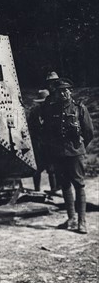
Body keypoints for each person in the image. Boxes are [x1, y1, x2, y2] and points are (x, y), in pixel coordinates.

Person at [42, 78, 94, 234]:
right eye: (60, 91)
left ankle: (82, 221)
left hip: (75, 153)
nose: (64, 93)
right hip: (58, 153)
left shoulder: (79, 108)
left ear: (71, 91)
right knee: (64, 185)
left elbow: (89, 132)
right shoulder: (52, 110)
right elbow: (48, 134)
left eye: (66, 90)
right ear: (56, 93)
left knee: (79, 185)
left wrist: (79, 148)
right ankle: (71, 219)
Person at [28, 89, 58, 193]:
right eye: (41, 102)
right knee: (37, 167)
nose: (43, 104)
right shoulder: (34, 112)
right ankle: (37, 189)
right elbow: (30, 126)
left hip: (50, 143)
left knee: (51, 168)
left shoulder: (53, 111)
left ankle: (53, 189)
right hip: (38, 143)